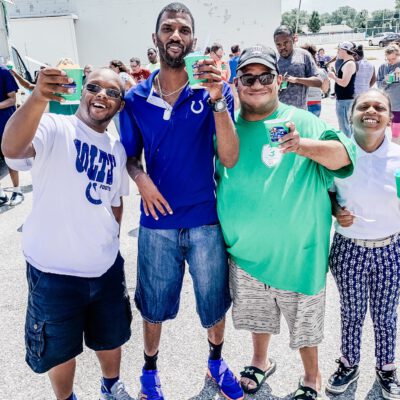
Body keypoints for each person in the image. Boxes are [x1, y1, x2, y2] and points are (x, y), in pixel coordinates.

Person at [216, 45, 355, 399]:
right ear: (237, 83)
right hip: (246, 253)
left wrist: (302, 144)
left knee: (305, 327)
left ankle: (312, 376)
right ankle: (260, 361)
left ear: (278, 81)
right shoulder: (226, 128)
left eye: (265, 76)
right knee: (257, 317)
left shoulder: (301, 120)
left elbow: (343, 158)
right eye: (249, 77)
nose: (257, 84)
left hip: (298, 254)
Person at [119, 3, 243, 400]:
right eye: (168, 29)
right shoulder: (135, 98)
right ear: (155, 38)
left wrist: (218, 99)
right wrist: (141, 181)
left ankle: (216, 363)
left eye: (184, 29)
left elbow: (229, 157)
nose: (176, 35)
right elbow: (130, 157)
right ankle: (150, 372)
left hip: (206, 221)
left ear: (193, 40)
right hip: (156, 225)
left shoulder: (212, 92)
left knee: (213, 305)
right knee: (153, 307)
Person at [1, 67, 133, 400]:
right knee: (60, 348)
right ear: (82, 91)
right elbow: (13, 150)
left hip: (104, 268)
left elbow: (116, 201)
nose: (102, 94)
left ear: (119, 105)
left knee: (111, 336)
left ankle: (111, 387)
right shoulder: (52, 125)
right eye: (95, 87)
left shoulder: (116, 146)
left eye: (113, 92)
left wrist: (110, 242)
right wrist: (37, 98)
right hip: (52, 271)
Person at [326, 88, 400, 400]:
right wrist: (335, 210)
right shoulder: (338, 154)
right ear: (351, 113)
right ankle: (348, 362)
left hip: (390, 248)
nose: (371, 111)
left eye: (379, 107)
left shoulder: (398, 157)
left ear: (389, 117)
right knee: (352, 312)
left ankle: (386, 368)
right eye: (364, 106)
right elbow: (327, 192)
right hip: (350, 248)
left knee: (386, 315)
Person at [273, 25, 322, 110]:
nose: (282, 47)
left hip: (300, 112)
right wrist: (277, 84)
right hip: (279, 112)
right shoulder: (273, 59)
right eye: (278, 44)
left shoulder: (304, 55)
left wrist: (297, 80)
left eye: (285, 43)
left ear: (293, 39)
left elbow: (318, 82)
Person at [0, 63, 24, 206]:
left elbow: (12, 99)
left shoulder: (3, 71)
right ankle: (1, 194)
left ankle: (17, 191)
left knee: (10, 158)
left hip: (4, 124)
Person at [328, 42, 357, 137]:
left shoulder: (349, 64)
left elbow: (344, 83)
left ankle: (348, 148)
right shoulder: (347, 63)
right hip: (344, 99)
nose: (338, 52)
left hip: (345, 100)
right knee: (345, 126)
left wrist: (333, 77)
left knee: (345, 126)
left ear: (345, 50)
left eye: (339, 50)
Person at [377, 44, 400, 145]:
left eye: (393, 59)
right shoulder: (383, 67)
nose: (390, 61)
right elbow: (379, 86)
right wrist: (387, 80)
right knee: (395, 135)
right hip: (391, 106)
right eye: (388, 59)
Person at [301, 43, 330, 117]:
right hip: (315, 103)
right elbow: (325, 89)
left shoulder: (297, 71)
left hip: (300, 103)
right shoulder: (321, 71)